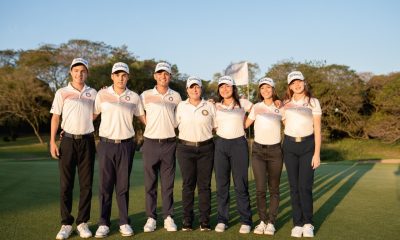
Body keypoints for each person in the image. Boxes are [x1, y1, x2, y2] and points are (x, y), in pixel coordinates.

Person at [93, 62, 145, 238]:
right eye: (117, 75)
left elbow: (145, 118)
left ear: (127, 77)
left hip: (126, 145)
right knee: (105, 186)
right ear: (112, 76)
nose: (121, 78)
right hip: (106, 145)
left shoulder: (134, 97)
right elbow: (90, 116)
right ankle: (103, 223)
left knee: (123, 186)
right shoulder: (101, 94)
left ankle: (124, 222)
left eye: (124, 75)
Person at [50, 58, 97, 239]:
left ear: (87, 73)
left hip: (87, 142)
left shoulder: (92, 93)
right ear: (71, 72)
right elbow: (55, 117)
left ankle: (83, 223)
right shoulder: (62, 92)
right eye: (76, 70)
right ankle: (66, 224)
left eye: (83, 71)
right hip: (68, 141)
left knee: (86, 184)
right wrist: (53, 142)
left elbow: (97, 112)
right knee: (66, 185)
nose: (79, 74)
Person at [140, 62, 182, 232]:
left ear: (170, 77)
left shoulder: (176, 96)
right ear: (155, 76)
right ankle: (151, 218)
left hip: (169, 144)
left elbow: (182, 114)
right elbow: (137, 112)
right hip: (150, 143)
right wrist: (148, 124)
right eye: (160, 73)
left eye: (166, 74)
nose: (163, 76)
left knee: (168, 184)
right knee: (150, 184)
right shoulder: (144, 95)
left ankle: (168, 217)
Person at [282, 71, 322, 238]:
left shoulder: (313, 102)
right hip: (290, 146)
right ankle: (297, 223)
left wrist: (317, 154)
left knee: (305, 187)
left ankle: (308, 223)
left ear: (304, 82)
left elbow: (318, 130)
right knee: (294, 187)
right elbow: (285, 122)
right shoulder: (285, 104)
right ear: (290, 86)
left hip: (308, 146)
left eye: (299, 82)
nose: (297, 85)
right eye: (293, 83)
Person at [175, 76, 216, 231]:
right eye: (191, 87)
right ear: (187, 90)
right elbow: (173, 124)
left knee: (205, 186)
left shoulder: (209, 106)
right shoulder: (180, 106)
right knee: (188, 185)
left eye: (197, 87)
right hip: (185, 149)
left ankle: (204, 220)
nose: (194, 89)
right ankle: (187, 220)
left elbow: (217, 126)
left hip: (206, 148)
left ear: (201, 89)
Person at [213, 76, 253, 234]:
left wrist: (245, 125)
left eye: (228, 86)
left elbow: (257, 109)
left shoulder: (243, 103)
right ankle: (222, 219)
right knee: (222, 185)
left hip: (239, 145)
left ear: (233, 88)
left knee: (240, 184)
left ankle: (246, 220)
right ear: (219, 90)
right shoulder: (215, 105)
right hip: (221, 144)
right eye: (221, 87)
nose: (225, 89)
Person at [244, 77, 283, 235]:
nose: (265, 90)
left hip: (275, 151)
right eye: (262, 88)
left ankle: (271, 222)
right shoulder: (256, 107)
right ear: (259, 91)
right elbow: (245, 124)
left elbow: (290, 124)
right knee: (260, 189)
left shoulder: (281, 106)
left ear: (273, 89)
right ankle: (262, 221)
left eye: (268, 87)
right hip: (258, 151)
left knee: (273, 189)